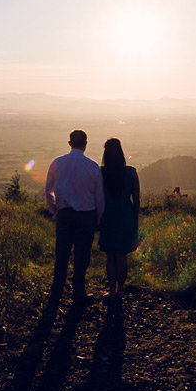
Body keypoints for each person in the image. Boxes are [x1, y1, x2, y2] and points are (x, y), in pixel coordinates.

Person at [45, 129, 105, 303]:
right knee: (82, 256)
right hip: (86, 216)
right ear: (86, 144)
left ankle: (56, 291)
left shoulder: (57, 163)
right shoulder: (92, 166)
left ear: (69, 143)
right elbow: (99, 197)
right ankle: (79, 292)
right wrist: (99, 220)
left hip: (64, 214)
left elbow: (48, 190)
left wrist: (55, 210)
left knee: (62, 254)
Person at [98, 137, 140, 301]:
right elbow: (136, 200)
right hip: (125, 216)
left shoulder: (101, 173)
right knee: (122, 255)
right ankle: (120, 290)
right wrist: (135, 222)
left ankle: (111, 291)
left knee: (110, 255)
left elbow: (97, 197)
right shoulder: (131, 172)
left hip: (107, 216)